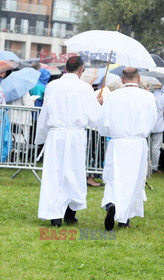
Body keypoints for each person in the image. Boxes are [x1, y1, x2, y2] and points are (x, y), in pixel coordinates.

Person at [35, 56, 101, 227]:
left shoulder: (52, 86)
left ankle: (55, 215)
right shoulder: (85, 88)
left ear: (66, 68)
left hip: (56, 134)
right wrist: (99, 104)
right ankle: (69, 213)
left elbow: (45, 112)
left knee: (54, 173)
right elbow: (95, 118)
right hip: (75, 136)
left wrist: (40, 137)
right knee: (74, 173)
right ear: (81, 70)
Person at [98, 67, 157, 230]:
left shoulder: (114, 96)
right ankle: (124, 219)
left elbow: (103, 124)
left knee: (113, 177)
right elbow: (152, 122)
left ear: (123, 80)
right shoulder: (149, 97)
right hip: (137, 143)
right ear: (138, 78)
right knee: (133, 180)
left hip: (118, 142)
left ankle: (111, 203)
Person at [150, 88, 164, 173]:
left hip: (148, 125)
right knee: (156, 147)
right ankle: (154, 166)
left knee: (146, 146)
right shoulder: (163, 97)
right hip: (159, 125)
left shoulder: (148, 95)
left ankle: (145, 165)